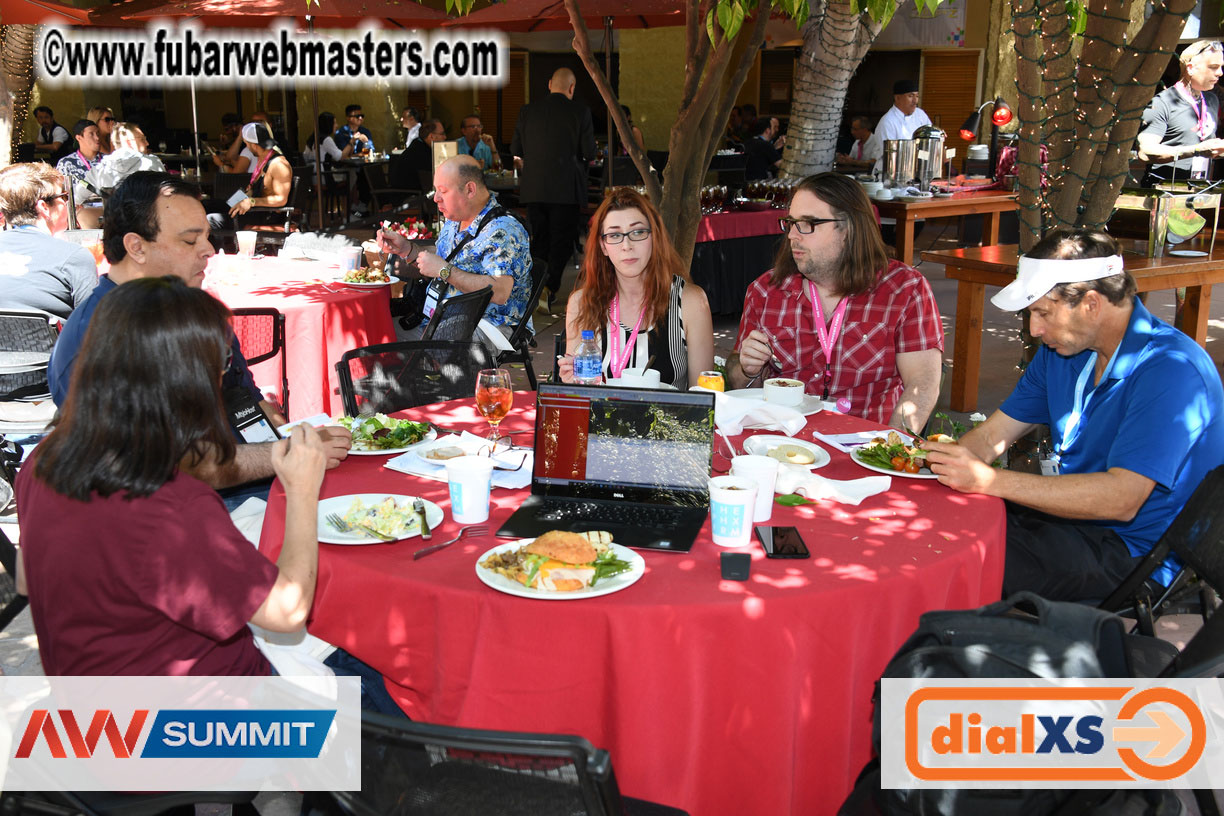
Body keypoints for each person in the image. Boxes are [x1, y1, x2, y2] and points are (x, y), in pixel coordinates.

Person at [19, 276, 327, 676]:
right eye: (222, 364)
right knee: (369, 663)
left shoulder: (44, 460)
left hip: (93, 707)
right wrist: (302, 490)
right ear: (189, 381)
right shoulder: (173, 504)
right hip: (206, 721)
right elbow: (288, 611)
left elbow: (28, 580)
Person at [923, 229, 1224, 603]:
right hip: (1074, 522)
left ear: (1092, 304)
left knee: (954, 562)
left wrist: (986, 481)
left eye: (1042, 312)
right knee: (937, 529)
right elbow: (990, 437)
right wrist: (936, 476)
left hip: (1137, 555)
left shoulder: (1172, 370)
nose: (1034, 329)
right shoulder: (1063, 350)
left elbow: (1122, 499)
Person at [47, 172, 352, 502]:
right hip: (188, 513)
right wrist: (287, 453)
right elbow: (179, 467)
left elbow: (247, 398)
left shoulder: (193, 308)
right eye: (190, 241)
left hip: (261, 475)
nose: (209, 249)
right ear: (136, 246)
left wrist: (294, 436)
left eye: (207, 236)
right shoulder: (94, 342)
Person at [726, 172, 943, 430]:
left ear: (848, 229)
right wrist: (747, 368)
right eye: (791, 223)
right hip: (782, 444)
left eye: (808, 224)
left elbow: (922, 385)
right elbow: (740, 384)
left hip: (863, 446)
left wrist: (889, 450)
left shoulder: (904, 290)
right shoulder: (766, 291)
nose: (793, 235)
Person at [559, 188, 713, 388]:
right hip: (602, 417)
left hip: (669, 419)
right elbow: (579, 395)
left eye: (638, 232)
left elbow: (702, 398)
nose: (627, 245)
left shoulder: (690, 302)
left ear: (654, 237)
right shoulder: (581, 303)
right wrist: (573, 383)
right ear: (603, 246)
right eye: (614, 235)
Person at [376, 156, 531, 338]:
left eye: (443, 191)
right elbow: (444, 256)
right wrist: (407, 249)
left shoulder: (503, 230)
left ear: (470, 190)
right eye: (435, 190)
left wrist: (444, 271)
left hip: (484, 325)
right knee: (373, 327)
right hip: (440, 318)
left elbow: (500, 291)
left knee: (385, 342)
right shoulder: (455, 219)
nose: (435, 198)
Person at [511, 67, 597, 314]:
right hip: (566, 188)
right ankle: (548, 288)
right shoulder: (580, 112)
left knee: (539, 240)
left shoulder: (527, 111)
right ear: (572, 88)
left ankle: (536, 288)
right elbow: (589, 152)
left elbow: (517, 147)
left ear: (549, 83)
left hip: (534, 187)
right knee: (561, 241)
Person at [0, 162, 97, 321]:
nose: (67, 202)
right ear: (44, 207)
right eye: (64, 196)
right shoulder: (74, 256)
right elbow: (92, 327)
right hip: (57, 345)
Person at [1137, 40, 1224, 183]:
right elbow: (1145, 152)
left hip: (1200, 191)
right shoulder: (1162, 103)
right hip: (1164, 192)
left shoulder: (1212, 100)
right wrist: (1196, 150)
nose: (1220, 73)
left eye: (1221, 67)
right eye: (1213, 67)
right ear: (1190, 68)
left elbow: (1209, 148)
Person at [227, 121, 293, 226]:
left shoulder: (278, 164)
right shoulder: (262, 160)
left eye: (247, 144)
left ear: (253, 145)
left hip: (265, 216)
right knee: (211, 205)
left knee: (213, 219)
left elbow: (281, 199)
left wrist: (251, 202)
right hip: (254, 210)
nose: (246, 147)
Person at [84, 122, 166, 193]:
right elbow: (167, 191)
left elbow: (77, 197)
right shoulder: (152, 162)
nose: (147, 143)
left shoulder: (99, 170)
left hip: (112, 210)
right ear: (129, 142)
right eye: (142, 139)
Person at [873, 79, 932, 174]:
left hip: (916, 171)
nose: (915, 101)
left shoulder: (920, 114)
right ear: (897, 98)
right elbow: (892, 155)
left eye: (917, 96)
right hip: (891, 173)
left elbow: (929, 140)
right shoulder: (888, 121)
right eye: (910, 96)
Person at [390, 117, 445, 191]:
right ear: (431, 136)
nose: (445, 137)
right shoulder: (420, 151)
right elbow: (431, 178)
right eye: (442, 134)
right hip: (409, 195)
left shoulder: (420, 145)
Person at [54, 119, 101, 187]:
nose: (97, 138)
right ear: (79, 138)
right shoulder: (66, 164)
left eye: (98, 133)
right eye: (91, 134)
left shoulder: (108, 160)